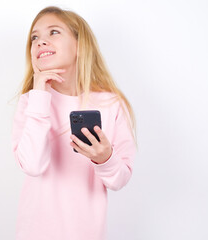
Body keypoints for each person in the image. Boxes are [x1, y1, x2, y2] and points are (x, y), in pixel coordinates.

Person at [11, 6, 136, 240]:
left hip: (86, 233)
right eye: (34, 37)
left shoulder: (110, 103)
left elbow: (120, 179)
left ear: (79, 45)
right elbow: (32, 166)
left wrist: (105, 158)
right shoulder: (32, 101)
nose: (40, 42)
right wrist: (39, 94)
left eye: (54, 32)